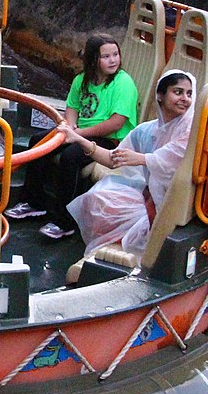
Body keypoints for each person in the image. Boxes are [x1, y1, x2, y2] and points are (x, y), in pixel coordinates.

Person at [5, 34, 139, 239]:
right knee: (37, 141)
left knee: (71, 157)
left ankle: (64, 221)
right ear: (93, 59)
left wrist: (78, 135)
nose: (113, 60)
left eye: (115, 55)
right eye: (106, 56)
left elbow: (116, 123)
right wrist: (70, 126)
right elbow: (72, 109)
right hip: (79, 132)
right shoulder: (81, 80)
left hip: (109, 138)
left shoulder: (123, 83)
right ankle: (34, 203)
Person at [61, 70, 196, 258]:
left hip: (174, 204)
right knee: (96, 200)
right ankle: (99, 255)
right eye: (178, 92)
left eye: (189, 94)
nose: (185, 99)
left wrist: (141, 159)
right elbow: (112, 159)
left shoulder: (191, 132)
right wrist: (78, 139)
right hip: (150, 195)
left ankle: (116, 256)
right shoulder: (146, 131)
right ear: (160, 95)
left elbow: (170, 159)